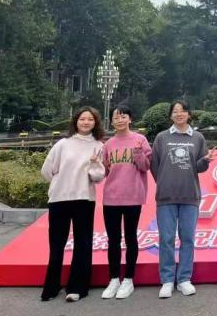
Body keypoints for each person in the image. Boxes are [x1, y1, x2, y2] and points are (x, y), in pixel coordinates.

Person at [40, 107, 106, 302]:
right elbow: (47, 170)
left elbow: (98, 177)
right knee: (56, 244)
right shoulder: (63, 144)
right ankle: (51, 287)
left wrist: (94, 164)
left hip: (84, 199)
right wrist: (60, 183)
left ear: (95, 123)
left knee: (82, 244)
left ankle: (77, 288)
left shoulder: (98, 146)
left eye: (90, 119)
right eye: (82, 119)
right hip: (59, 199)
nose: (86, 122)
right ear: (76, 121)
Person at [150, 100, 215, 298]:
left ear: (189, 114)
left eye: (183, 111)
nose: (179, 114)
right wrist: (165, 181)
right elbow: (155, 165)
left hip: (190, 195)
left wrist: (205, 161)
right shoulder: (162, 137)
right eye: (175, 111)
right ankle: (167, 280)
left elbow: (199, 167)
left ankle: (184, 279)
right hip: (166, 196)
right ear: (170, 115)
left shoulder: (197, 137)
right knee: (166, 239)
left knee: (187, 238)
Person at [100, 105, 152, 300]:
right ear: (111, 121)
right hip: (111, 197)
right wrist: (97, 165)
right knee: (113, 239)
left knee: (130, 238)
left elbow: (146, 166)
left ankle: (128, 279)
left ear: (130, 119)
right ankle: (114, 279)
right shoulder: (108, 144)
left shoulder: (140, 140)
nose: (120, 120)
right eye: (116, 117)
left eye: (123, 116)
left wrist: (138, 154)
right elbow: (104, 172)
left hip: (132, 196)